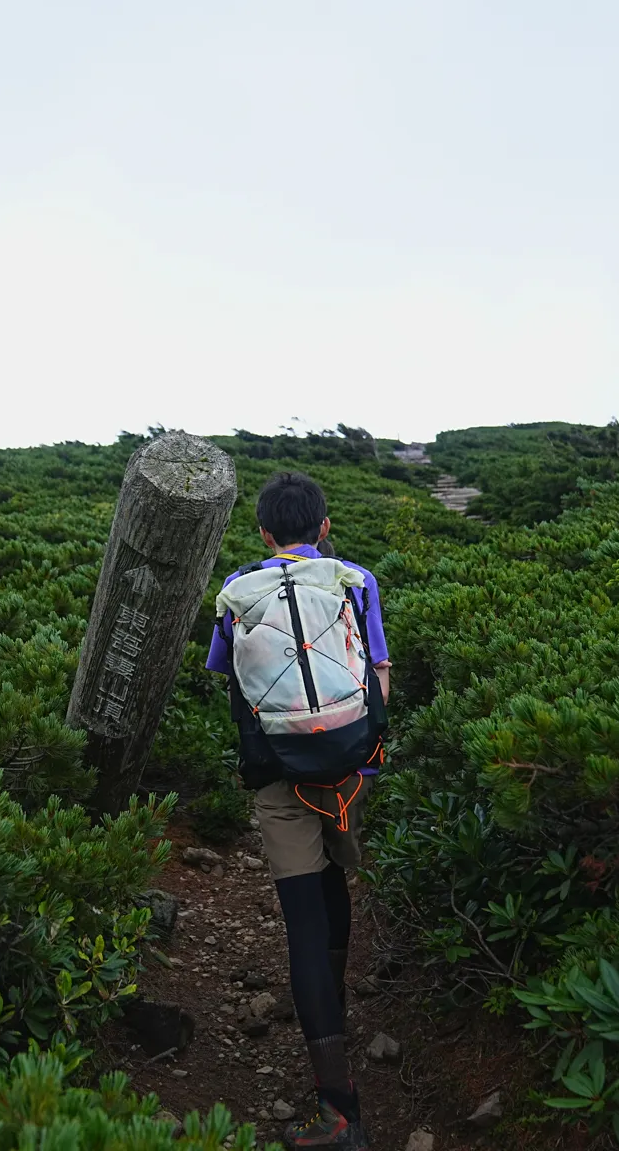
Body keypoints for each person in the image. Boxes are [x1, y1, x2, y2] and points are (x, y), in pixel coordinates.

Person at [207, 471, 389, 1150]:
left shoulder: (238, 592)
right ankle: (331, 1008)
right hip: (346, 767)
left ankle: (339, 1107)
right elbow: (378, 671)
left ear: (262, 534)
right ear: (324, 527)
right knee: (336, 883)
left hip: (279, 776)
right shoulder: (355, 580)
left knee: (303, 923)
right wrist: (363, 755)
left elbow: (229, 676)